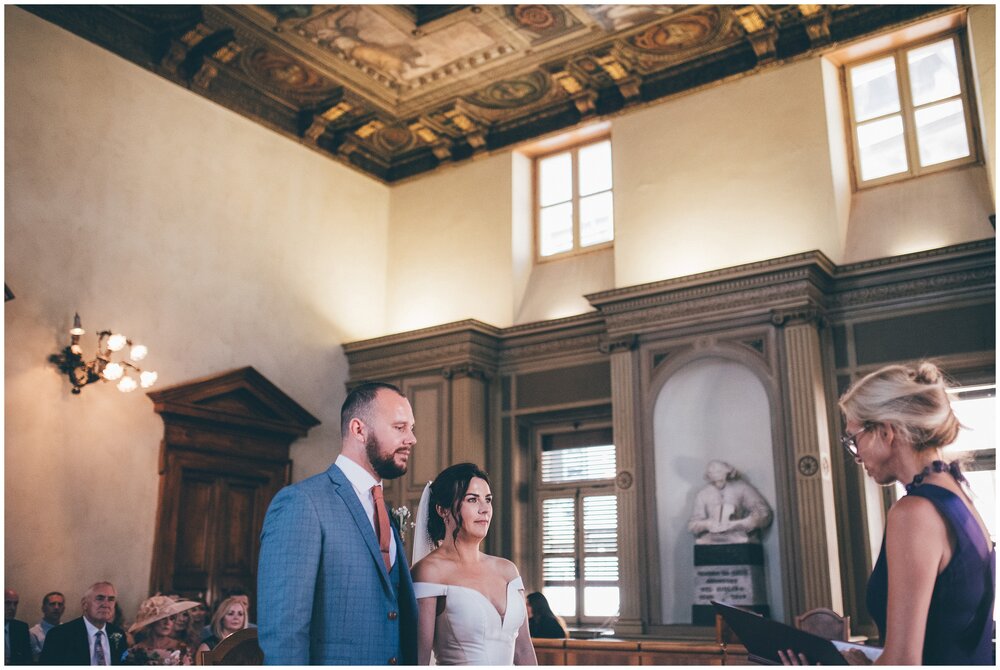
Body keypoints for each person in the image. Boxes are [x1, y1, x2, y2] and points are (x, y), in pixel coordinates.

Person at [780, 362, 995, 665]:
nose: (856, 455)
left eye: (854, 439)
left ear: (886, 431)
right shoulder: (959, 495)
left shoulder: (914, 513)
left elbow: (901, 664)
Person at [257, 381, 419, 665]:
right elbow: (285, 633)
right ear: (359, 429)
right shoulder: (302, 503)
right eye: (399, 427)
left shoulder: (384, 509)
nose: (412, 439)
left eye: (411, 428)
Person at [411, 462, 538, 665]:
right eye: (472, 500)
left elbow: (523, 650)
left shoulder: (508, 570)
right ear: (442, 510)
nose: (484, 509)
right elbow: (419, 659)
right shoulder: (429, 571)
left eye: (488, 500)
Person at [40, 581, 130, 665]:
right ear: (84, 604)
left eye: (111, 599)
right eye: (100, 598)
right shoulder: (59, 635)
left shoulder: (118, 634)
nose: (106, 604)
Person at [688, 460, 773, 544]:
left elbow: (764, 513)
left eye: (719, 471)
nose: (715, 475)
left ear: (727, 472)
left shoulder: (742, 488)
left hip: (738, 536)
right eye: (711, 473)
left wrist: (741, 523)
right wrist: (707, 524)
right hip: (712, 538)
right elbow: (693, 524)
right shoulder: (703, 493)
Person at [124, 595, 199, 665]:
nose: (167, 623)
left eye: (172, 618)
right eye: (163, 618)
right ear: (152, 621)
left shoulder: (181, 648)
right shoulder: (135, 651)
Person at [29, 591, 65, 661]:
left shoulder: (68, 631)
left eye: (60, 604)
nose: (56, 607)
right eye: (52, 604)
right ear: (43, 608)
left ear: (63, 609)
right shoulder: (33, 633)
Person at [5, 588, 32, 665]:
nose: (12, 608)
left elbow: (27, 659)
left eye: (15, 604)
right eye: (7, 603)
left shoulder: (21, 628)